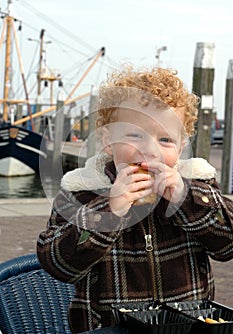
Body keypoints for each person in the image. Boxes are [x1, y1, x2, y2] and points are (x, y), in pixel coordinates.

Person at [37, 66, 233, 334]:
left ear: (181, 146)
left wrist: (185, 198)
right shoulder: (81, 191)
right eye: (134, 135)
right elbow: (57, 264)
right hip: (108, 328)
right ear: (108, 141)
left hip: (186, 326)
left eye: (165, 139)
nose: (149, 149)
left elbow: (227, 246)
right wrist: (109, 210)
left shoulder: (198, 183)